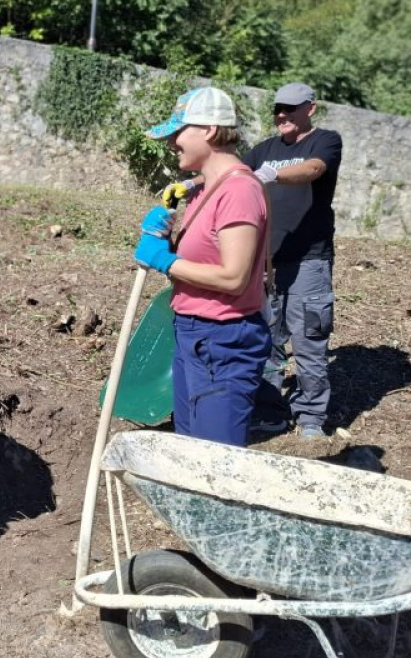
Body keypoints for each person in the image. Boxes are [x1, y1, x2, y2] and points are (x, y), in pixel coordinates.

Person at [138, 87, 270, 446]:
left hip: (223, 339)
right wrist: (163, 237)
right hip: (192, 332)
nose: (171, 142)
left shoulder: (239, 191)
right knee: (190, 452)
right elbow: (200, 259)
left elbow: (233, 277)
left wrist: (163, 259)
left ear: (210, 130)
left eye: (178, 132)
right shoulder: (207, 187)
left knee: (214, 462)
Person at [244, 83, 343, 440]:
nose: (282, 115)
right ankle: (269, 413)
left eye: (290, 108)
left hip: (308, 261)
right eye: (277, 109)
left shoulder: (325, 141)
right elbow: (229, 175)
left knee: (308, 342)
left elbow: (314, 169)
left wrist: (272, 174)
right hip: (267, 263)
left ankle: (311, 419)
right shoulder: (263, 149)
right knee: (266, 340)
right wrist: (194, 184)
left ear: (310, 109)